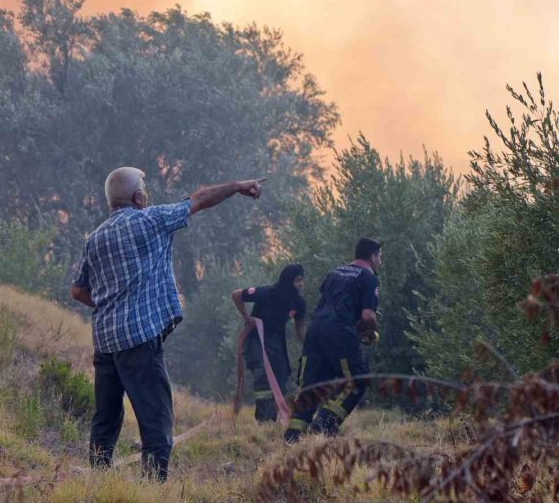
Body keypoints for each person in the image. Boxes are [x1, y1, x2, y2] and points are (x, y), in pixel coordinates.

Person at [71, 167, 265, 481]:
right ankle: (153, 488)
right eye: (144, 188)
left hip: (105, 342)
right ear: (137, 197)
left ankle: (97, 483)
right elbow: (199, 199)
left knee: (105, 419)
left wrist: (109, 300)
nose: (146, 193)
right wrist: (239, 186)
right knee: (156, 418)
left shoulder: (95, 238)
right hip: (139, 340)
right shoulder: (152, 219)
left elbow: (78, 291)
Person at [283, 238, 382, 444]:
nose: (380, 262)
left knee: (312, 385)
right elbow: (368, 316)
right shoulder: (369, 277)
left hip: (316, 330)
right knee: (358, 380)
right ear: (373, 257)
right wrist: (371, 333)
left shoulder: (335, 272)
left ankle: (292, 438)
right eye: (380, 257)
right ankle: (325, 424)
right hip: (340, 331)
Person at [231, 264, 307, 422]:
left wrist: (309, 345)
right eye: (298, 280)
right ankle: (264, 421)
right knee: (263, 376)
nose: (301, 284)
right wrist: (247, 317)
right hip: (255, 338)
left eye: (302, 280)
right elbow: (236, 294)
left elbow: (300, 326)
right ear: (288, 280)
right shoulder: (265, 293)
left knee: (281, 375)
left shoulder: (298, 302)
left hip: (277, 340)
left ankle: (275, 418)